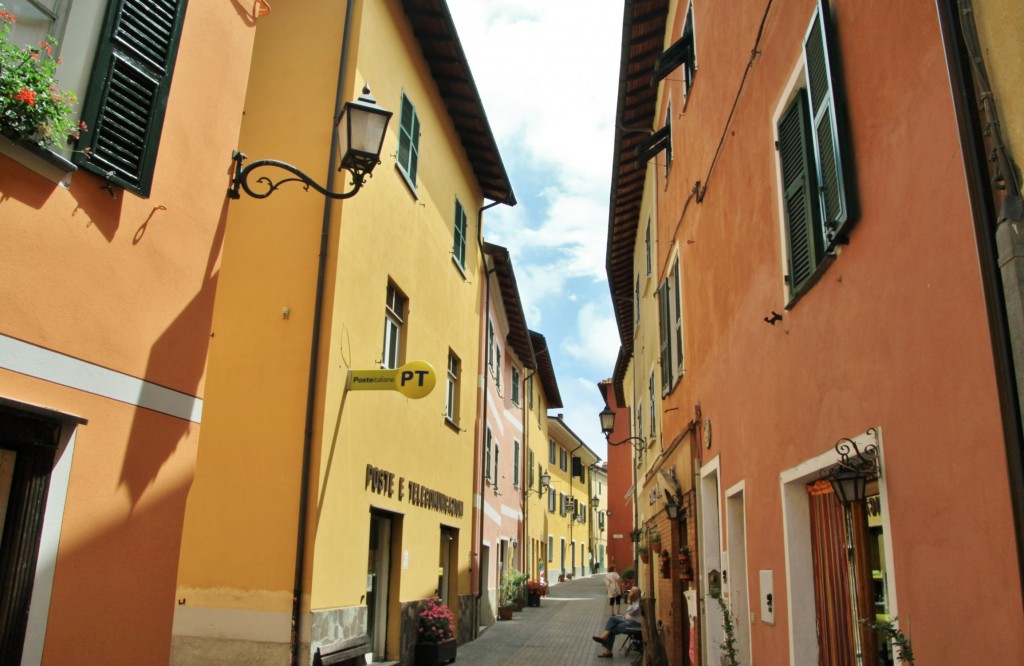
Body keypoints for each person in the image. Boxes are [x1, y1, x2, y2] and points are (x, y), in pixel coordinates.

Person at [592, 587, 641, 658]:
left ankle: (607, 648)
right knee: (612, 619)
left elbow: (631, 612)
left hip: (634, 624)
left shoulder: (638, 602)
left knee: (611, 627)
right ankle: (604, 638)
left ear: (635, 594)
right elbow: (629, 612)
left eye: (631, 592)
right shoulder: (634, 601)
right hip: (628, 621)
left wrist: (630, 600)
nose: (629, 594)